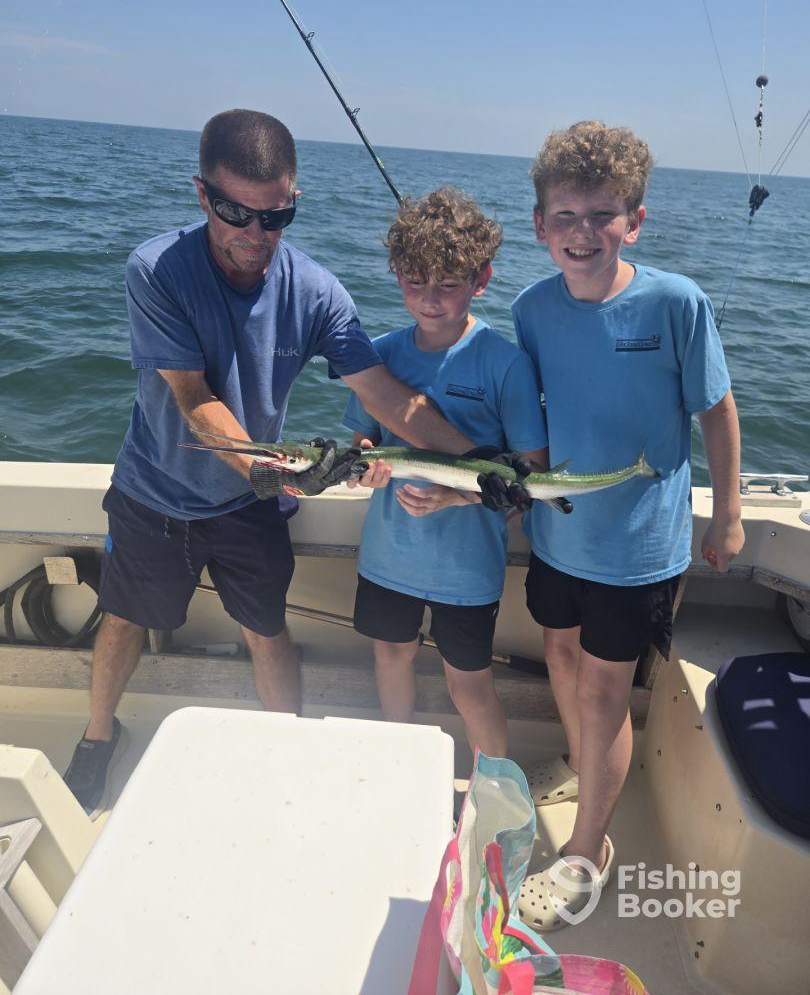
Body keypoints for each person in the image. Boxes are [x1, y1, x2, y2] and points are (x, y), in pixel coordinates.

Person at [64, 110, 477, 818]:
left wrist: (480, 464)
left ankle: (284, 750)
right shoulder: (156, 269)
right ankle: (99, 736)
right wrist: (272, 470)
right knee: (124, 619)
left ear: (293, 201)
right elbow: (193, 397)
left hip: (248, 506)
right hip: (153, 494)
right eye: (235, 212)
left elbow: (385, 395)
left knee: (267, 629)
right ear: (203, 196)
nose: (255, 235)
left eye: (275, 215)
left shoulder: (315, 290)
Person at [500, 121, 745, 930]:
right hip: (559, 532)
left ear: (633, 221)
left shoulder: (677, 302)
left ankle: (587, 851)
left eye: (601, 215)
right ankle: (580, 766)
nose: (581, 233)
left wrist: (732, 513)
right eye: (563, 216)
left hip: (637, 549)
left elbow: (717, 411)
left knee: (605, 693)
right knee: (562, 657)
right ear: (539, 225)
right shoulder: (530, 308)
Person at [343, 187, 548, 757]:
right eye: (414, 281)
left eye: (448, 284)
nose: (429, 299)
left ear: (481, 280)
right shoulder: (378, 355)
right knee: (390, 656)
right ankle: (398, 766)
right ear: (395, 276)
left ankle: (493, 792)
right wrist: (365, 463)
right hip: (389, 555)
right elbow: (362, 438)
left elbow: (527, 479)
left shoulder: (506, 365)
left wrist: (455, 498)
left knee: (468, 685)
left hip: (467, 569)